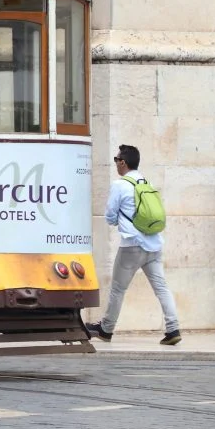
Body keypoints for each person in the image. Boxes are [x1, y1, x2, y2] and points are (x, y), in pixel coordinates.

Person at [85, 144, 181, 345]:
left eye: (116, 160)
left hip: (132, 245)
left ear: (123, 162)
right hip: (154, 244)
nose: (116, 164)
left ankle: (106, 329)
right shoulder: (146, 181)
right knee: (161, 287)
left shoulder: (120, 185)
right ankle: (173, 329)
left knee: (118, 289)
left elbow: (110, 215)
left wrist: (116, 220)